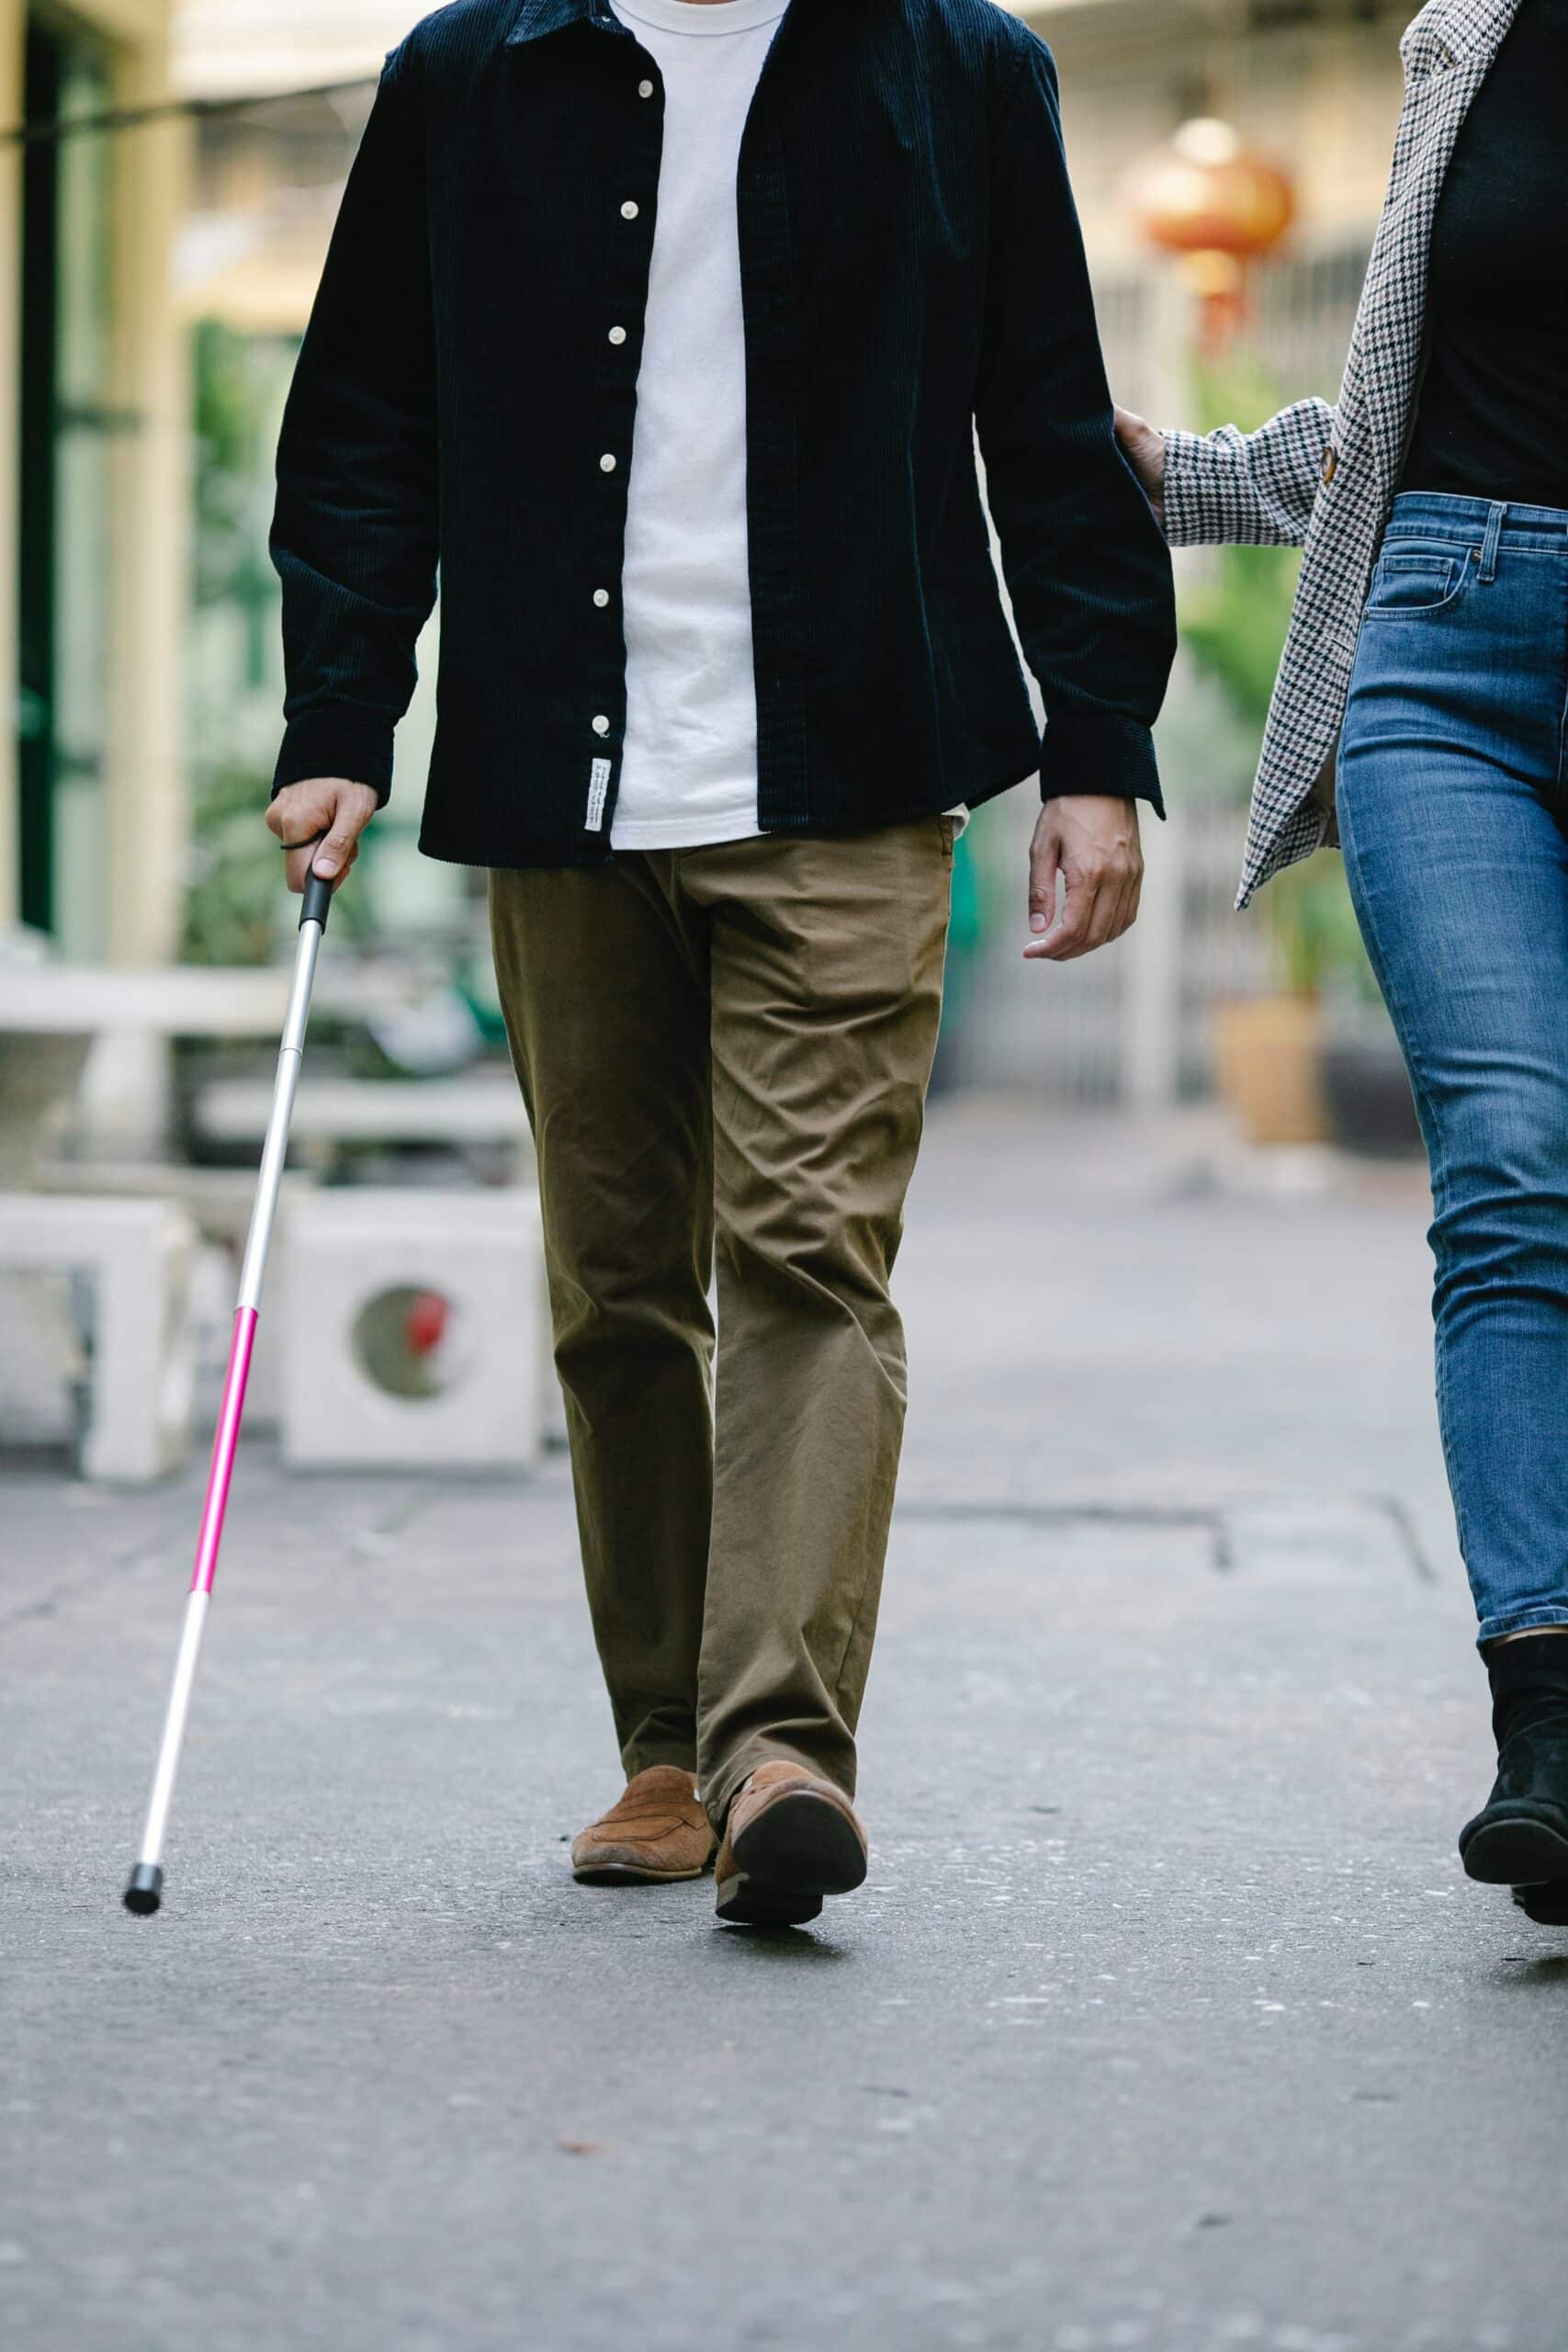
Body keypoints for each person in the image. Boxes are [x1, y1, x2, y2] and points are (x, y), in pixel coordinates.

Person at [266, 0, 1175, 1928]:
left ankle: (781, 1744)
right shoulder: (467, 75)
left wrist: (1095, 746)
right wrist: (339, 709)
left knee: (804, 1248)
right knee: (613, 1283)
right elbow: (365, 420)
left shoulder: (960, 70)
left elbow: (1044, 410)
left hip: (848, 770)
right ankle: (663, 1747)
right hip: (558, 775)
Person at [1115, 0, 1568, 1923]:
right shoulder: (1466, 40)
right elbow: (1406, 400)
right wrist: (1181, 476)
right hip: (1443, 648)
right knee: (1513, 1159)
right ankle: (1545, 1715)